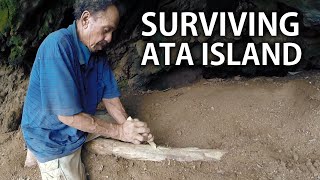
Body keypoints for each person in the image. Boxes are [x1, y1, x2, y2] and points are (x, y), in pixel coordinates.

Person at [21, 0, 153, 179]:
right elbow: (69, 117)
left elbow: (111, 100)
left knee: (112, 121)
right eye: (106, 30)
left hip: (75, 119)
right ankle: (36, 152)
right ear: (85, 19)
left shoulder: (97, 53)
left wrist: (130, 127)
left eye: (112, 31)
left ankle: (35, 151)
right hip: (51, 136)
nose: (110, 38)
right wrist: (120, 132)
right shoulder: (57, 47)